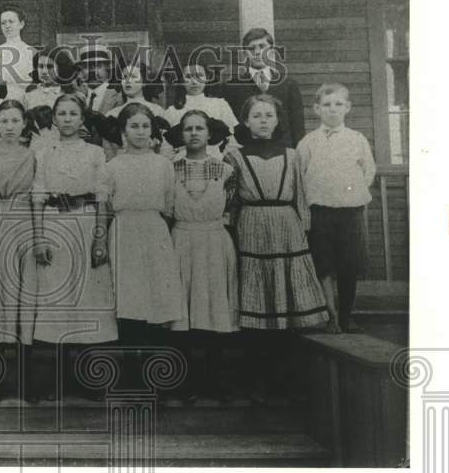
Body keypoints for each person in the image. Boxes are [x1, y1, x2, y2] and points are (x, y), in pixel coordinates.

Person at [226, 94, 328, 400]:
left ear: (278, 120)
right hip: (252, 225)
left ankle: (287, 380)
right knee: (257, 299)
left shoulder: (292, 155)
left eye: (268, 115)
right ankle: (257, 379)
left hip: (286, 227)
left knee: (286, 299)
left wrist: (303, 228)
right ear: (246, 121)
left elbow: (300, 196)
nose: (263, 121)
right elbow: (231, 201)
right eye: (256, 116)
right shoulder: (235, 156)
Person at [31, 93, 118, 400]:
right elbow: (38, 197)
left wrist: (99, 237)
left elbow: (102, 196)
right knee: (57, 300)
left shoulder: (94, 153)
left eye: (73, 114)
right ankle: (57, 379)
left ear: (83, 119)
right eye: (61, 113)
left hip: (84, 223)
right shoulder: (43, 152)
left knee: (87, 298)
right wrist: (40, 238)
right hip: (55, 224)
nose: (67, 119)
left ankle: (89, 379)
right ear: (54, 119)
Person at [104, 102, 185, 388]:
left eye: (144, 126)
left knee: (155, 301)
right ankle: (129, 376)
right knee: (128, 301)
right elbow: (105, 206)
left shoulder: (163, 165)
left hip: (154, 231)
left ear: (153, 131)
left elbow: (170, 203)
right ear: (123, 131)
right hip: (124, 232)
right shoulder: (113, 165)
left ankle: (155, 378)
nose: (140, 132)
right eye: (133, 126)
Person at [169, 111, 240, 402]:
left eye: (200, 128)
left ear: (210, 134)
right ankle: (184, 382)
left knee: (214, 307)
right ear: (181, 134)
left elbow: (232, 209)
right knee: (181, 311)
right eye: (188, 129)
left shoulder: (224, 170)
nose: (194, 133)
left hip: (214, 241)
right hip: (181, 240)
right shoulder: (169, 169)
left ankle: (216, 381)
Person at [296, 82, 376, 333]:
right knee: (324, 264)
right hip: (320, 213)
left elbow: (368, 172)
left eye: (338, 104)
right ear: (317, 109)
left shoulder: (357, 139)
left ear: (348, 108)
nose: (333, 110)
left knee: (348, 266)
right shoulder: (308, 142)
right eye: (327, 105)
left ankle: (346, 316)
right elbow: (300, 175)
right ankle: (331, 315)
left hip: (349, 212)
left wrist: (349, 193)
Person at [0, 100, 40, 403]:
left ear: (24, 124)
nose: (10, 127)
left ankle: (26, 381)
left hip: (25, 224)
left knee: (25, 299)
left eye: (15, 121)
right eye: (4, 121)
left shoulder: (34, 156)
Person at [223, 28, 305, 149]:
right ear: (245, 53)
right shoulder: (233, 86)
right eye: (251, 48)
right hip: (247, 154)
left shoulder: (289, 85)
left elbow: (298, 128)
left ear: (271, 50)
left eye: (262, 46)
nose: (257, 52)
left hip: (283, 154)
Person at [164, 63, 239, 147]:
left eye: (200, 75)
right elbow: (165, 146)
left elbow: (231, 141)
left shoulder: (220, 105)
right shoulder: (171, 111)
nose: (194, 82)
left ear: (206, 78)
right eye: (188, 76)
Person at [0, 4, 35, 104]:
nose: (7, 26)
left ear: (21, 24)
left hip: (25, 102)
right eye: (3, 23)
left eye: (11, 22)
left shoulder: (31, 53)